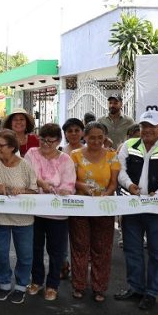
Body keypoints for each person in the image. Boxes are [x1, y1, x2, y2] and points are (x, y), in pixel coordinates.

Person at [115, 110, 158, 310]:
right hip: (132, 206)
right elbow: (121, 171)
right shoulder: (128, 145)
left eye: (152, 126)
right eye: (144, 126)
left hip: (157, 208)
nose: (147, 130)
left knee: (156, 252)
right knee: (132, 249)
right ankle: (135, 287)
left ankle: (151, 292)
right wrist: (130, 186)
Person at [0, 129, 39, 303]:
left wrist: (24, 191)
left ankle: (21, 286)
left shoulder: (25, 165)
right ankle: (4, 284)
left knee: (25, 254)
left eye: (0, 146)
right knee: (0, 253)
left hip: (23, 218)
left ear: (12, 147)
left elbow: (34, 190)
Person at [25, 123, 76, 301]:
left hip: (57, 213)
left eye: (50, 141)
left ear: (59, 141)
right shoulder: (31, 153)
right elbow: (27, 175)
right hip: (34, 211)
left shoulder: (65, 160)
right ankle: (36, 280)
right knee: (35, 248)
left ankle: (53, 284)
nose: (45, 144)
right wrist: (41, 183)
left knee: (56, 251)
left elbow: (69, 184)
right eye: (42, 140)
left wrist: (63, 191)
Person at [69, 122, 119, 301]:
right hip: (80, 207)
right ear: (85, 137)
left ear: (105, 137)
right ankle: (79, 285)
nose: (96, 141)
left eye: (100, 137)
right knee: (79, 247)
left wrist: (107, 193)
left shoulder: (112, 156)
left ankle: (100, 288)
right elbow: (71, 180)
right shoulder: (74, 155)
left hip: (104, 207)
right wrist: (82, 185)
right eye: (92, 137)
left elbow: (114, 182)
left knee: (102, 248)